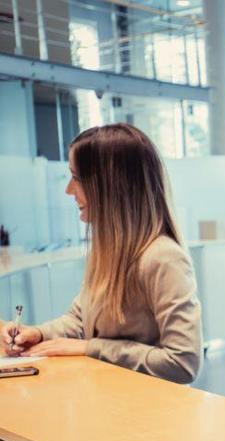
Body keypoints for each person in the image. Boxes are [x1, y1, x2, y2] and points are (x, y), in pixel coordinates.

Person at [1, 123, 202, 384]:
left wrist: (93, 348)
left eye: (77, 179)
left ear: (111, 186)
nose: (69, 191)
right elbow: (80, 318)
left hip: (147, 411)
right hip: (110, 399)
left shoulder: (163, 258)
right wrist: (38, 333)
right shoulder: (109, 250)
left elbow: (183, 363)